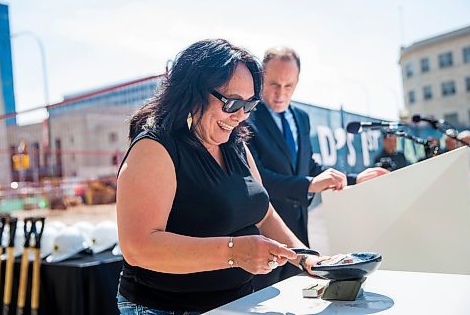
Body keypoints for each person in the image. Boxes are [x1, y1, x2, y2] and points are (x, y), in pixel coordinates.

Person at [116, 39, 329, 314]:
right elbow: (139, 247)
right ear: (192, 92)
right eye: (231, 103)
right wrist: (233, 252)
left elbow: (264, 215)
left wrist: (307, 258)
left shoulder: (236, 143)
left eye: (250, 105)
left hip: (238, 302)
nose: (241, 116)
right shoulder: (154, 149)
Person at [246, 46, 388, 290]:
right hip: (264, 234)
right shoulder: (247, 116)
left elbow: (309, 165)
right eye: (273, 84)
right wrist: (308, 185)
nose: (280, 93)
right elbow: (257, 178)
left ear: (298, 82)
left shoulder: (301, 117)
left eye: (288, 86)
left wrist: (353, 179)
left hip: (300, 232)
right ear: (261, 79)